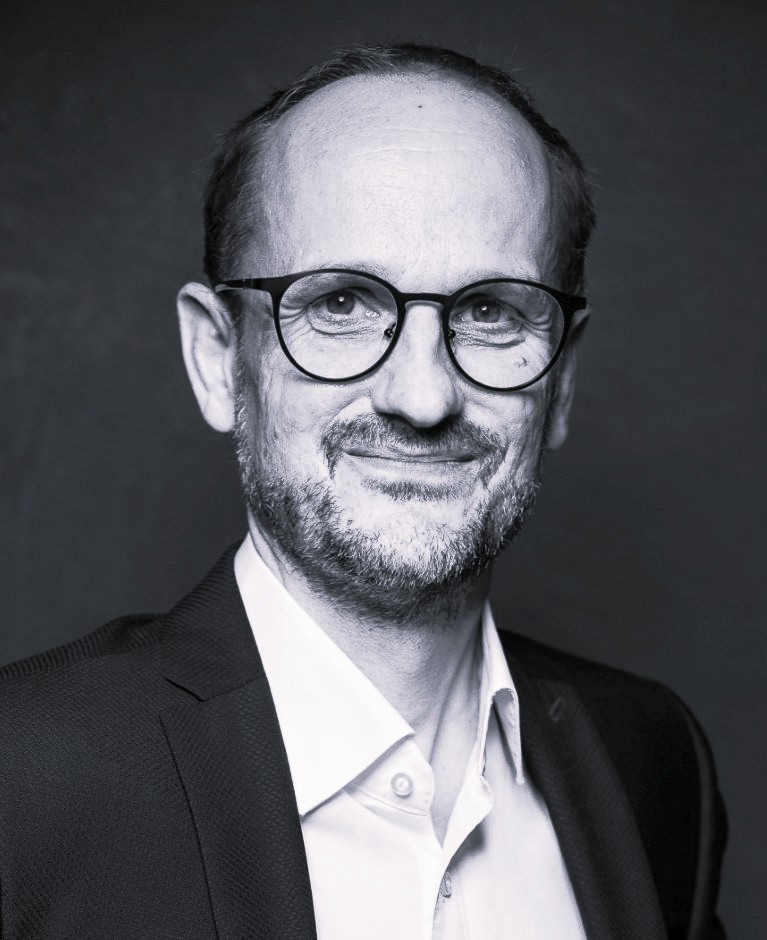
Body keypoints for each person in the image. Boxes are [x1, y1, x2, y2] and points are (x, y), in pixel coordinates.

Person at [0, 43, 725, 939]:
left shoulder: (650, 759)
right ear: (218, 358)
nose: (421, 398)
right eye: (340, 304)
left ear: (561, 379)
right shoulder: (20, 784)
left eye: (490, 311)